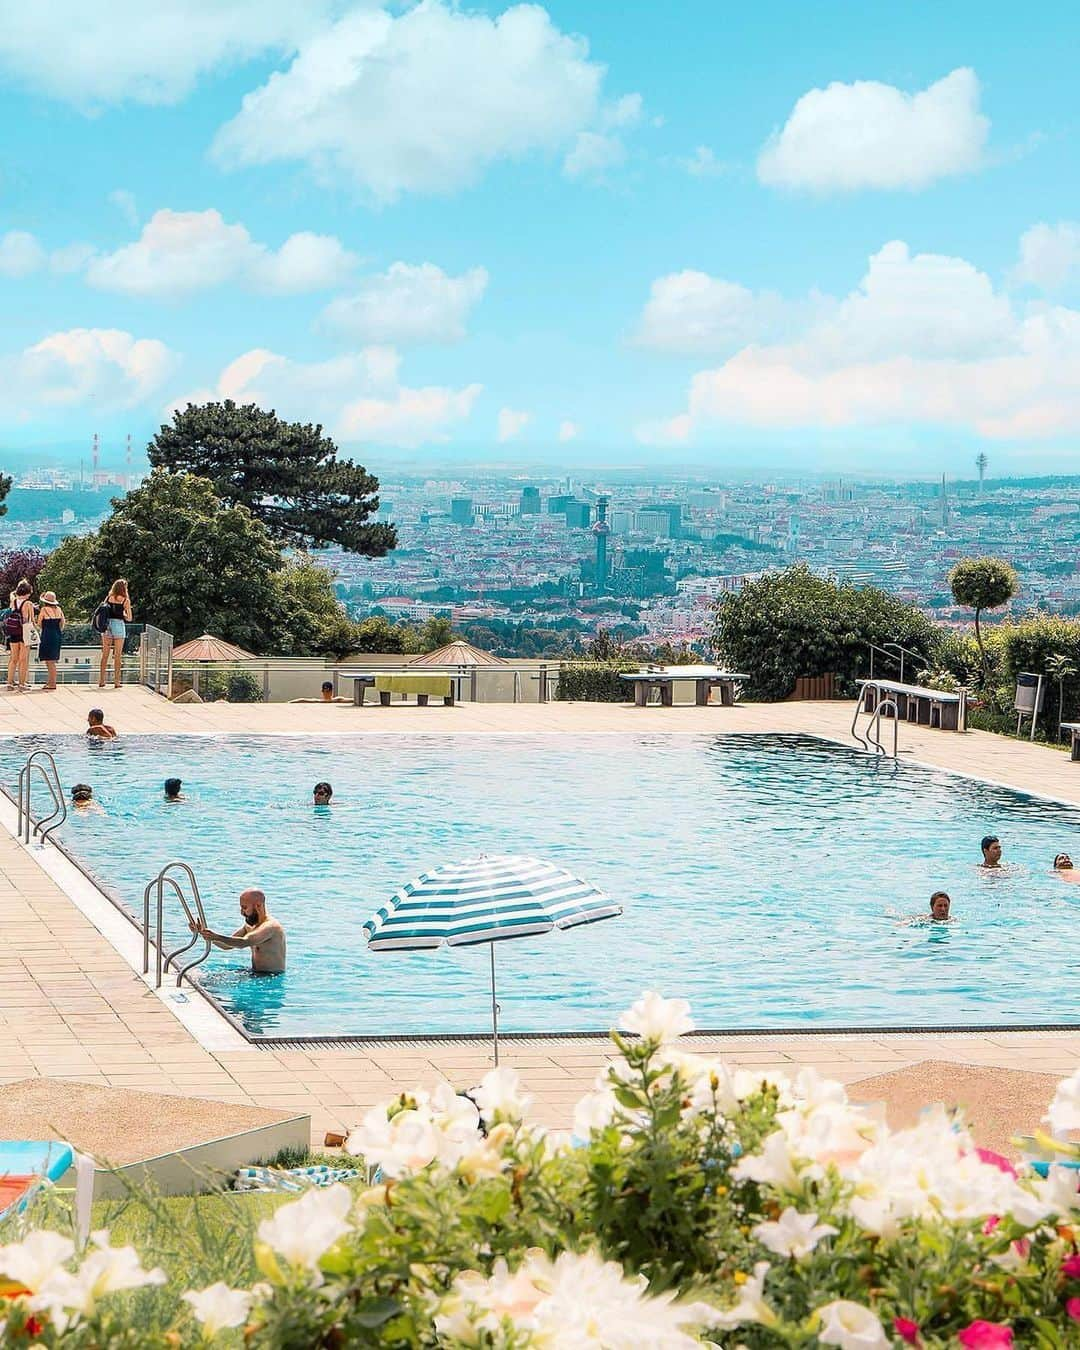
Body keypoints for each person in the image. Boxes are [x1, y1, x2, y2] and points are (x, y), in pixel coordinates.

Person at [194, 889, 286, 973]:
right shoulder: (250, 926)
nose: (242, 912)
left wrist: (217, 937)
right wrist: (204, 933)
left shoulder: (270, 927)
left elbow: (245, 942)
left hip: (271, 978)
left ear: (258, 905)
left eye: (245, 908)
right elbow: (226, 945)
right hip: (255, 973)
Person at [97, 579, 132, 690]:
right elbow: (129, 618)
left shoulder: (108, 598)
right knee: (117, 655)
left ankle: (101, 680)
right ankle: (117, 682)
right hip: (118, 626)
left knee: (105, 654)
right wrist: (124, 614)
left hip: (107, 626)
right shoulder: (125, 600)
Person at [5, 579, 35, 693]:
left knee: (13, 659)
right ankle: (22, 683)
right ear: (28, 592)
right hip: (24, 632)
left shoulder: (13, 601)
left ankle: (9, 682)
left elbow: (12, 594)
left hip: (13, 632)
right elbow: (31, 619)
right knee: (23, 659)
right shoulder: (28, 603)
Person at [36, 591, 65, 692]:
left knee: (49, 661)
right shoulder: (59, 609)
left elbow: (39, 623)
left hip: (47, 635)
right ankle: (50, 681)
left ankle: (52, 683)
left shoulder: (44, 609)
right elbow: (62, 623)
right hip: (57, 634)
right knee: (52, 660)